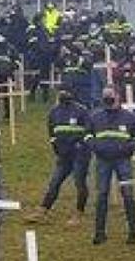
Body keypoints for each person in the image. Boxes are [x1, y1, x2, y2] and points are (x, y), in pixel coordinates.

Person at [86, 85, 135, 245]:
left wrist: (126, 148)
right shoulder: (95, 117)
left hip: (122, 160)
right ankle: (99, 233)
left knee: (128, 195)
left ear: (118, 96)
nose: (107, 99)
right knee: (101, 195)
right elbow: (87, 135)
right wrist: (96, 147)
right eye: (105, 96)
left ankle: (133, 233)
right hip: (103, 160)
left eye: (110, 96)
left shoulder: (130, 117)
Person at [27, 90, 92, 225]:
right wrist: (55, 146)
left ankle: (79, 212)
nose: (63, 94)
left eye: (66, 91)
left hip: (79, 154)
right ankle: (43, 209)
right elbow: (51, 132)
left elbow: (88, 131)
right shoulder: (54, 112)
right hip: (63, 155)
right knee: (55, 182)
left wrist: (81, 145)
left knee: (79, 183)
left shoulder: (82, 110)